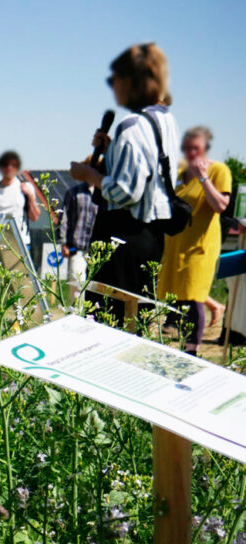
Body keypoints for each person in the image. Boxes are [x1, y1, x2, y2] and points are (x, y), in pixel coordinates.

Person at [70, 43, 180, 325]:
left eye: (113, 79)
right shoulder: (164, 120)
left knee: (109, 321)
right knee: (137, 321)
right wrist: (111, 150)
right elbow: (149, 168)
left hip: (123, 235)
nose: (112, 87)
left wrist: (88, 174)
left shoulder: (131, 125)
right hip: (151, 235)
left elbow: (126, 191)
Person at [156, 126, 231, 354]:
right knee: (178, 294)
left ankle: (192, 352)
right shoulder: (180, 174)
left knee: (194, 297)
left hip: (200, 247)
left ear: (205, 148)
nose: (191, 153)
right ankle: (182, 345)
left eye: (195, 148)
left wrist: (203, 178)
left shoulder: (218, 170)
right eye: (187, 149)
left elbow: (220, 205)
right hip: (176, 245)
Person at [0, 151, 40, 247]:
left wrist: (30, 196)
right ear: (0, 168)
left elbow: (35, 217)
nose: (9, 168)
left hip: (20, 242)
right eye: (5, 165)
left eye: (13, 165)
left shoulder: (26, 188)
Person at [58, 173, 101, 287]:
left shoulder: (105, 194)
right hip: (77, 248)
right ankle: (77, 305)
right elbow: (64, 218)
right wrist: (63, 243)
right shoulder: (74, 192)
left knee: (96, 287)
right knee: (77, 285)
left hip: (97, 249)